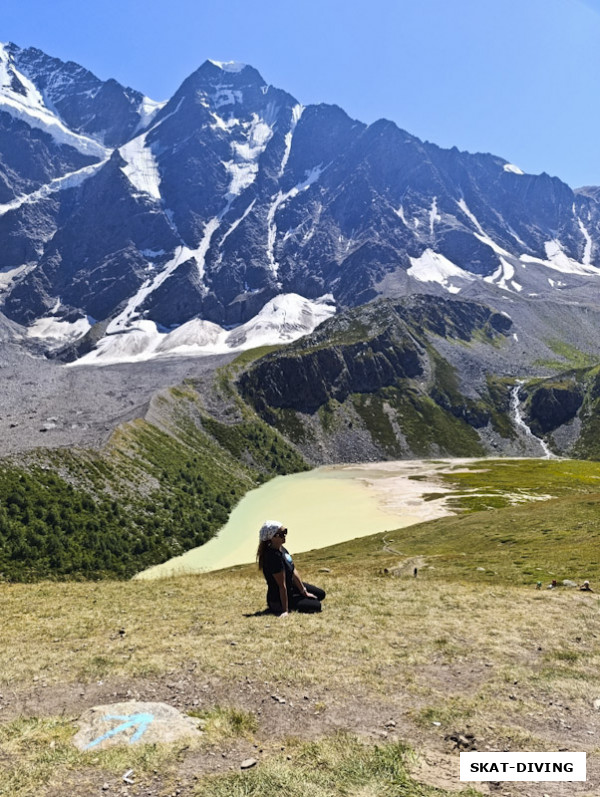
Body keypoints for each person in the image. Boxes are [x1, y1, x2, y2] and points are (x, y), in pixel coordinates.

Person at [256, 520, 326, 616]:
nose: (284, 536)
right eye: (281, 534)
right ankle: (290, 604)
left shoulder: (282, 549)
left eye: (285, 532)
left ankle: (300, 598)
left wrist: (303, 591)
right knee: (316, 606)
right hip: (278, 599)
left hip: (291, 586)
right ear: (272, 537)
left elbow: (293, 570)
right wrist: (285, 610)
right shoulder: (273, 557)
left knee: (320, 594)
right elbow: (282, 585)